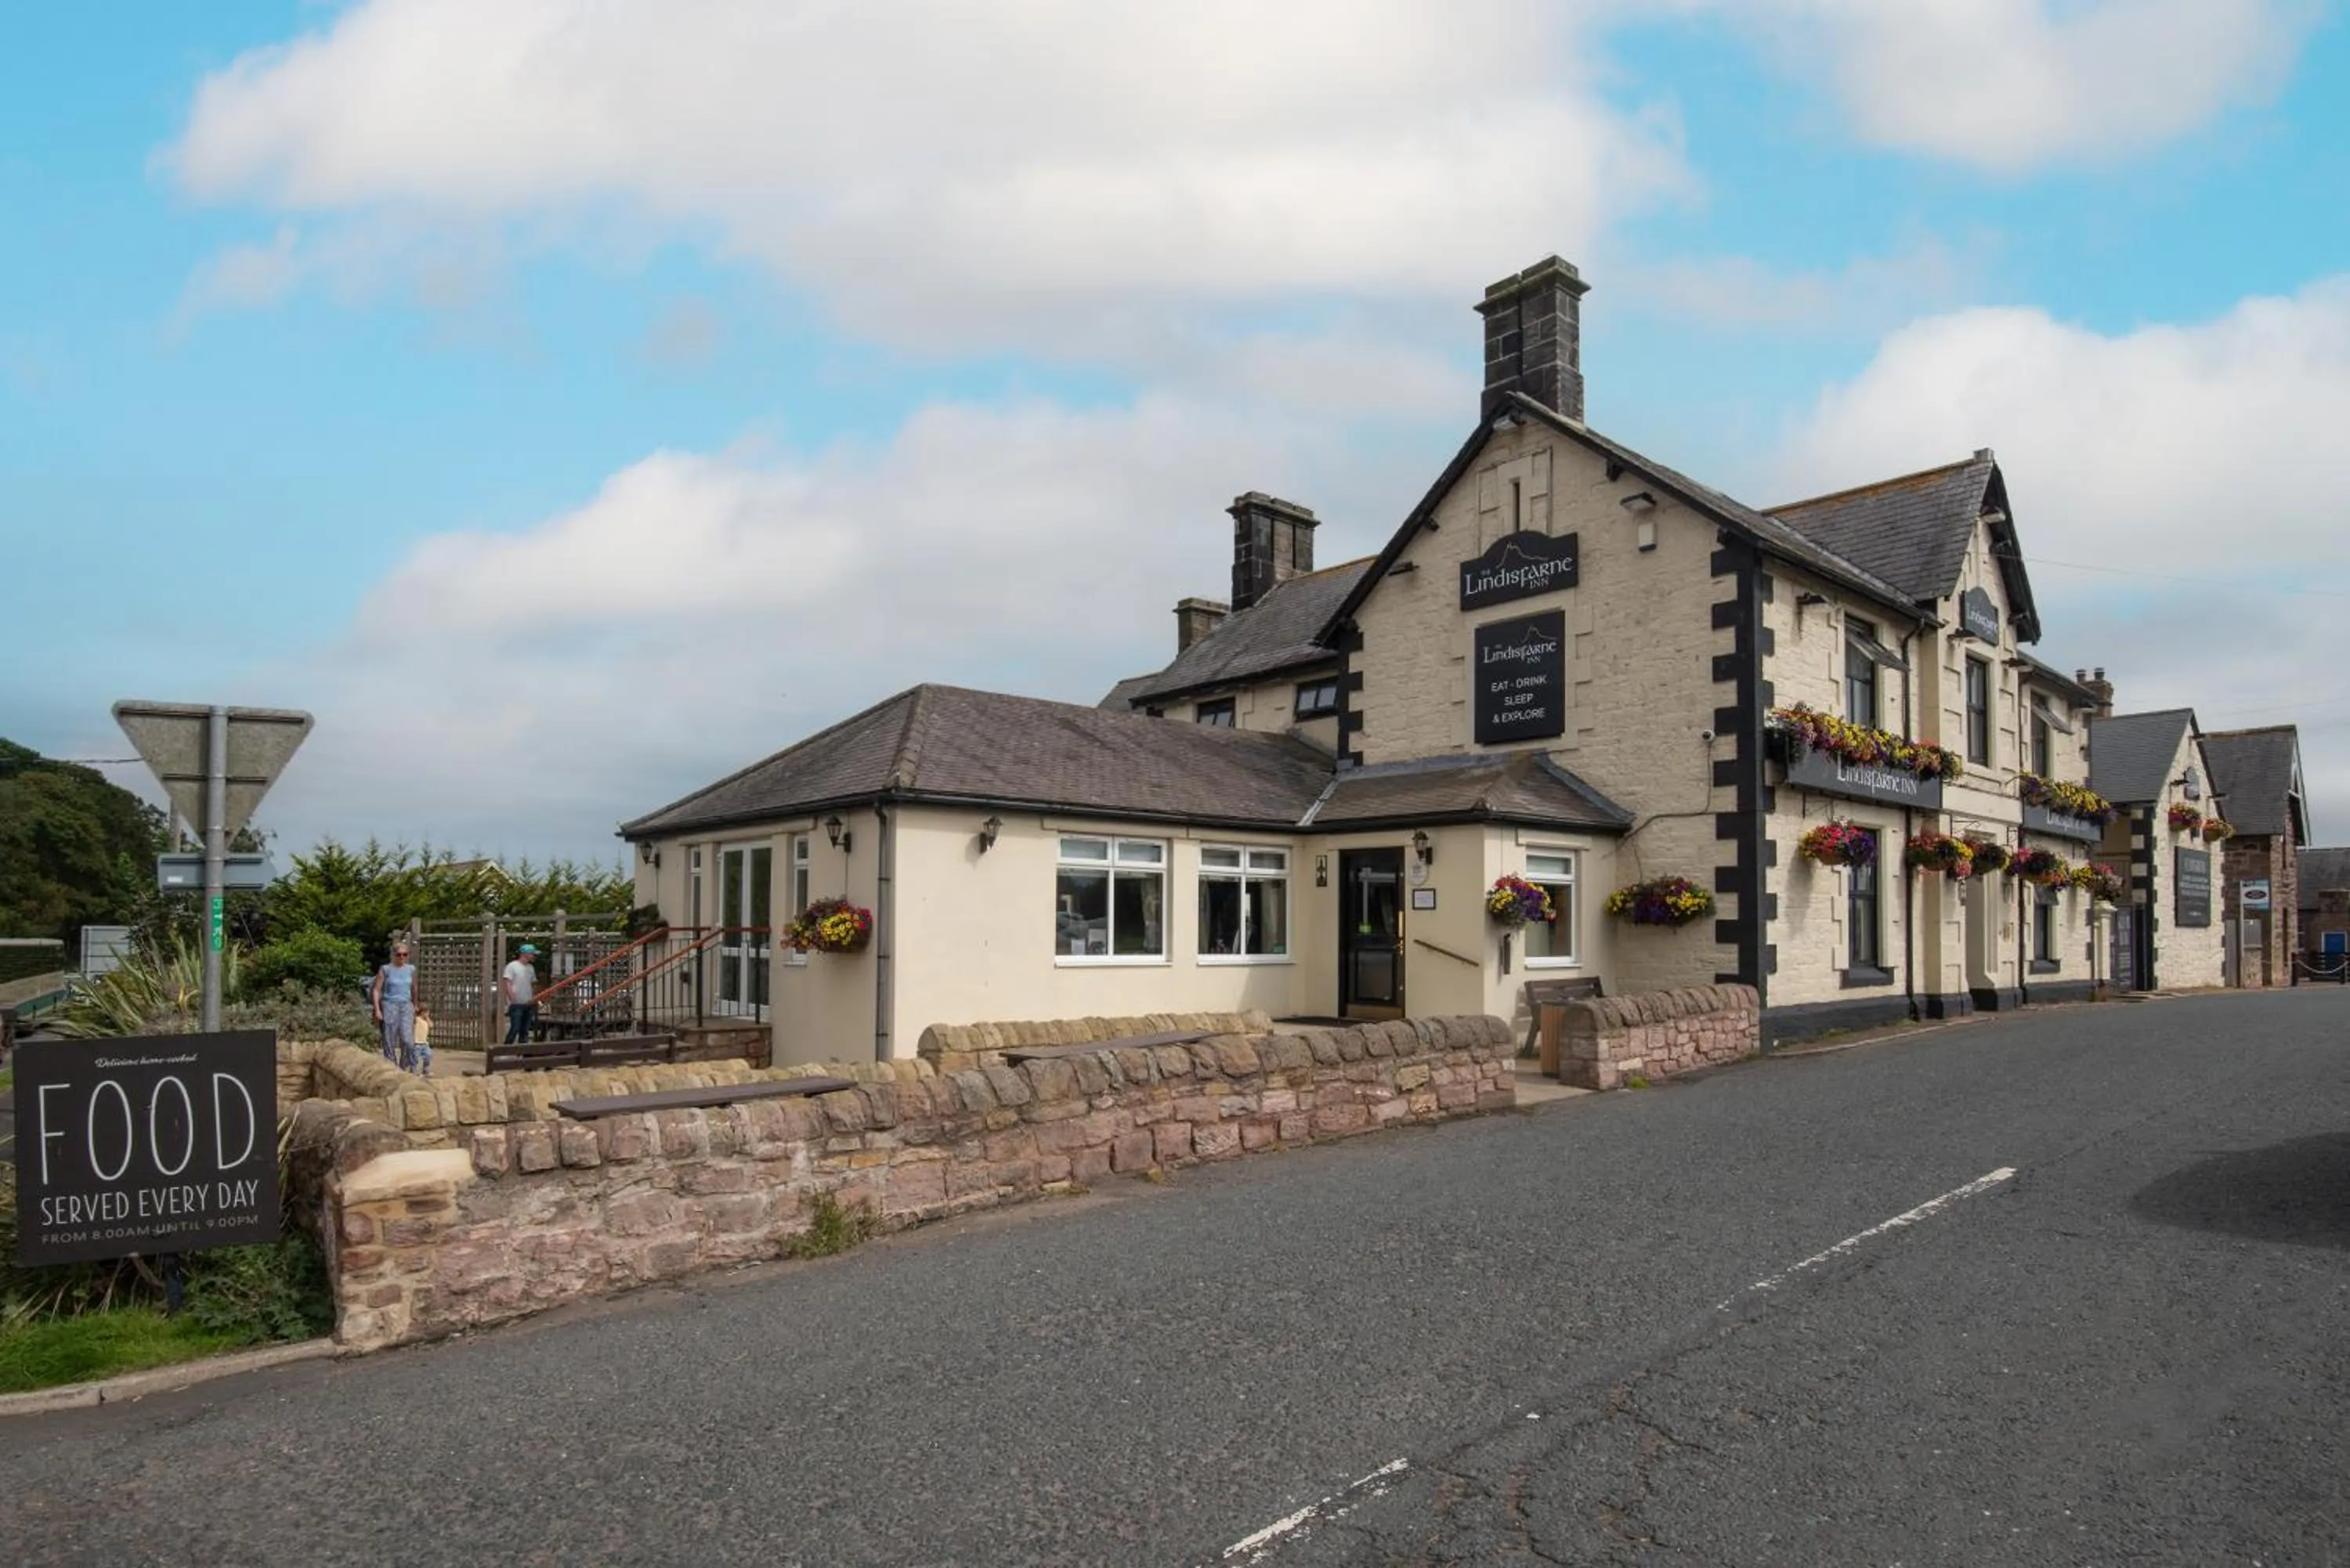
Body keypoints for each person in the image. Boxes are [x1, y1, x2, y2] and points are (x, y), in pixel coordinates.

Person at [371, 941, 419, 1070]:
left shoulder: (411, 969)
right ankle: (391, 1068)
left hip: (406, 1005)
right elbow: (376, 990)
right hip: (389, 1005)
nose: (402, 957)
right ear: (393, 955)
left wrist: (415, 1005)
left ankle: (404, 1066)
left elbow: (414, 988)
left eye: (405, 954)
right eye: (399, 954)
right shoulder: (385, 969)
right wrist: (377, 1009)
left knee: (408, 1040)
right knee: (389, 1039)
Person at [501, 942, 540, 1045]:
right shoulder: (512, 966)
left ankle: (523, 1053)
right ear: (525, 954)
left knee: (525, 1030)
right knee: (515, 1028)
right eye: (532, 954)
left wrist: (534, 998)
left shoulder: (531, 968)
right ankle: (505, 1050)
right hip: (516, 1004)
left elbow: (533, 983)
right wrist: (512, 999)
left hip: (528, 1002)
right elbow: (507, 983)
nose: (534, 956)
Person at [411, 1000, 435, 1078]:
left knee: (428, 1055)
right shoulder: (417, 1019)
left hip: (425, 1044)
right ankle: (413, 1071)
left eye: (428, 1012)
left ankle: (426, 1071)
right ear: (421, 1012)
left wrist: (427, 1018)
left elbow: (431, 1025)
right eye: (425, 1012)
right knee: (415, 1059)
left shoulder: (427, 1021)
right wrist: (415, 1011)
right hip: (417, 1044)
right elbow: (413, 1018)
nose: (427, 1014)